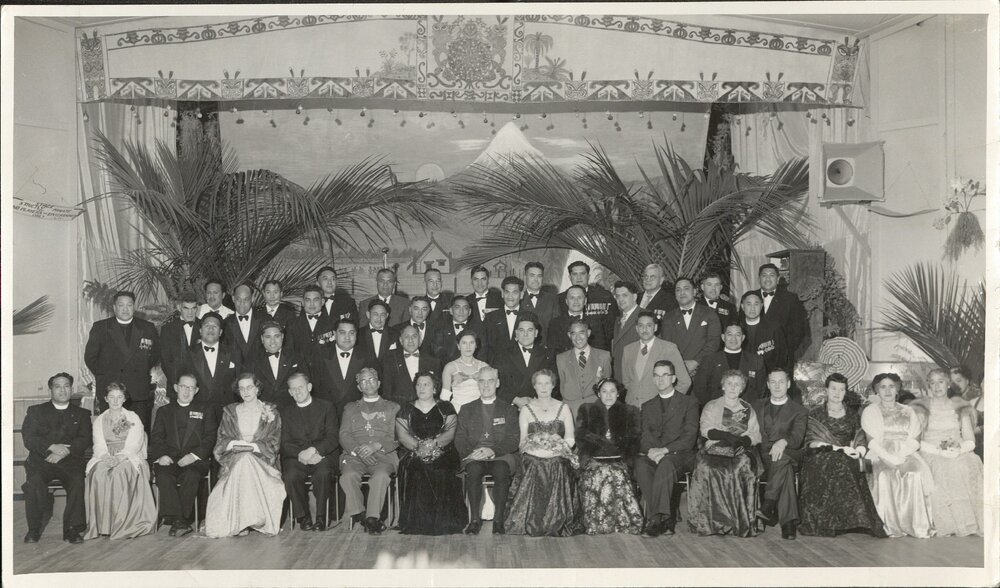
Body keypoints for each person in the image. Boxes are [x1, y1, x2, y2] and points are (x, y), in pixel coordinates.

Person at [798, 373, 886, 538]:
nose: (837, 393)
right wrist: (837, 449)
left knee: (843, 462)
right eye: (833, 389)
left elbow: (860, 438)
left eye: (841, 389)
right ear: (826, 390)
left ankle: (850, 521)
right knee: (834, 461)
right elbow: (811, 442)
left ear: (846, 392)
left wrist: (858, 451)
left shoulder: (853, 414)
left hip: (848, 455)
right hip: (819, 455)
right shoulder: (815, 414)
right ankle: (828, 522)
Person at [205, 373, 285, 538]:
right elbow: (222, 439)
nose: (246, 392)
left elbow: (274, 441)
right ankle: (244, 521)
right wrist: (234, 444)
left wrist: (254, 447)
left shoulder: (271, 411)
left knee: (247, 460)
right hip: (234, 459)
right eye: (241, 388)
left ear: (257, 388)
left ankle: (249, 520)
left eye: (249, 387)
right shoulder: (230, 412)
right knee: (244, 460)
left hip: (263, 461)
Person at [504, 369, 581, 536]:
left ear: (553, 385)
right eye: (539, 383)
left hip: (558, 455)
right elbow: (522, 441)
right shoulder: (526, 409)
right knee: (534, 463)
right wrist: (538, 449)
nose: (543, 387)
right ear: (534, 386)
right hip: (533, 455)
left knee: (557, 463)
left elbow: (570, 439)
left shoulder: (563, 407)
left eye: (547, 383)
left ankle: (557, 521)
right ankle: (532, 521)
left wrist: (556, 448)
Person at [687, 370, 762, 537]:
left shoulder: (748, 408)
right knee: (706, 467)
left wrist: (742, 441)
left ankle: (736, 520)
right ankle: (709, 521)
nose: (733, 387)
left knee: (739, 467)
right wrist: (727, 436)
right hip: (714, 447)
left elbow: (755, 434)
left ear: (742, 388)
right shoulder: (712, 406)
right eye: (729, 383)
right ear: (723, 386)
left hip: (739, 450)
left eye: (737, 384)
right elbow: (705, 429)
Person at [860, 372, 934, 538]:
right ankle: (890, 526)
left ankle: (916, 525)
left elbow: (915, 439)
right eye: (883, 387)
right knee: (885, 476)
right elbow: (871, 442)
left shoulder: (908, 411)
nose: (887, 391)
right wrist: (890, 458)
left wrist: (900, 456)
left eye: (891, 386)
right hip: (880, 453)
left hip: (906, 452)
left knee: (915, 474)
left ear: (897, 389)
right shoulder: (870, 411)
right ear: (876, 390)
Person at [21, 373, 93, 544]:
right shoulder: (36, 411)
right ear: (50, 391)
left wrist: (64, 451)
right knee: (34, 482)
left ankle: (72, 529)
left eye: (66, 386)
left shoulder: (82, 414)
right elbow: (29, 438)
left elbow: (85, 439)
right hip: (42, 460)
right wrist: (52, 447)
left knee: (77, 482)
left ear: (71, 389)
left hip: (70, 461)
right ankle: (33, 529)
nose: (62, 390)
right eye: (57, 386)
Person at [911, 369, 983, 537]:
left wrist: (959, 450)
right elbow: (916, 441)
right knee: (945, 467)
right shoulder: (921, 409)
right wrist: (939, 451)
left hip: (958, 451)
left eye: (941, 381)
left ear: (948, 384)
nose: (937, 386)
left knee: (969, 463)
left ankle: (969, 522)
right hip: (931, 452)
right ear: (928, 386)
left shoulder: (960, 407)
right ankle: (951, 523)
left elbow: (970, 440)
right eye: (933, 382)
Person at [395, 371, 466, 535]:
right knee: (416, 467)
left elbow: (450, 433)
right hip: (414, 451)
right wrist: (419, 448)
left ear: (435, 388)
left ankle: (443, 522)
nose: (421, 388)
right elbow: (403, 436)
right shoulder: (406, 409)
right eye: (418, 384)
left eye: (426, 384)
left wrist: (433, 445)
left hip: (443, 450)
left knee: (441, 467)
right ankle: (418, 522)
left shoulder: (446, 407)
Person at [84, 383, 157, 540]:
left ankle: (121, 524)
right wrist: (105, 457)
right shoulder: (99, 420)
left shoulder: (133, 418)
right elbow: (98, 444)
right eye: (111, 397)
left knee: (119, 473)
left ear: (124, 399)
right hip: (106, 455)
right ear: (105, 399)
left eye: (119, 397)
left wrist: (119, 457)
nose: (115, 401)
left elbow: (135, 444)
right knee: (98, 473)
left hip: (128, 456)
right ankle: (103, 525)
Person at [635, 361, 699, 537]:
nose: (660, 379)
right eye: (656, 375)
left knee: (666, 464)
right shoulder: (648, 406)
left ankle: (656, 519)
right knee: (640, 465)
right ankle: (664, 519)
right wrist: (651, 451)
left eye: (665, 375)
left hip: (681, 455)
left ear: (674, 378)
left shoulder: (689, 402)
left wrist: (664, 451)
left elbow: (689, 437)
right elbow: (643, 436)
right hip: (655, 454)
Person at [149, 373, 217, 537]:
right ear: (175, 388)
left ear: (196, 390)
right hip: (169, 458)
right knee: (163, 476)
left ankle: (177, 520)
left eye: (191, 388)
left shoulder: (205, 410)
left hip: (194, 460)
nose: (186, 391)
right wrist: (162, 455)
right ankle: (180, 520)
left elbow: (210, 437)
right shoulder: (164, 411)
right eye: (183, 387)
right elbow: (156, 437)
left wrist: (194, 456)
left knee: (191, 476)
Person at [455, 367, 520, 535]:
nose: (486, 385)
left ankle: (498, 520)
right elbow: (460, 438)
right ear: (477, 384)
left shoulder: (509, 409)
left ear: (497, 383)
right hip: (475, 455)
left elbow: (513, 440)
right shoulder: (466, 409)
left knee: (501, 469)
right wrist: (471, 453)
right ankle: (475, 520)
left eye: (490, 381)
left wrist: (492, 450)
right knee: (473, 470)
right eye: (482, 381)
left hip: (501, 455)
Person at [575, 378, 643, 535]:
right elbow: (581, 437)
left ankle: (622, 522)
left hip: (620, 458)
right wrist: (603, 442)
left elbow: (633, 439)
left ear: (618, 393)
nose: (608, 395)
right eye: (604, 391)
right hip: (593, 457)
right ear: (598, 393)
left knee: (616, 473)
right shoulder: (586, 409)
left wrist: (615, 444)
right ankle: (596, 522)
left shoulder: (630, 411)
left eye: (612, 391)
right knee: (598, 472)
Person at [84, 290, 160, 428]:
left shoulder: (147, 328)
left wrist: (140, 371)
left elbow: (154, 355)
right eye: (121, 305)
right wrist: (107, 375)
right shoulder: (101, 327)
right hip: (111, 391)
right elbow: (90, 357)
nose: (125, 309)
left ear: (134, 307)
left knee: (137, 431)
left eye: (129, 305)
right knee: (112, 433)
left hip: (138, 391)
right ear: (114, 307)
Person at [339, 368, 400, 535]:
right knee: (347, 476)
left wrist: (375, 446)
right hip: (355, 455)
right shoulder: (350, 408)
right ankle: (361, 514)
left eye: (372, 379)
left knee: (381, 476)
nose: (368, 384)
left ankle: (372, 518)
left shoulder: (392, 407)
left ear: (378, 383)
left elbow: (396, 436)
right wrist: (358, 451)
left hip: (383, 455)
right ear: (359, 387)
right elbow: (344, 434)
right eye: (363, 381)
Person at [279, 372, 340, 532]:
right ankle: (303, 516)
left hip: (322, 454)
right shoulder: (285, 412)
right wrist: (301, 454)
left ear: (309, 387)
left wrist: (315, 450)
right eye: (293, 389)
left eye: (301, 387)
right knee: (290, 475)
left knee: (323, 473)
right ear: (290, 392)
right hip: (296, 457)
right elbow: (284, 443)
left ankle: (321, 517)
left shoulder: (327, 407)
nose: (298, 391)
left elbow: (333, 437)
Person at [752, 367, 808, 539]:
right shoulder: (756, 405)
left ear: (788, 384)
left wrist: (783, 442)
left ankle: (768, 504)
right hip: (762, 456)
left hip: (789, 452)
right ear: (768, 385)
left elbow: (797, 438)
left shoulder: (799, 410)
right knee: (786, 470)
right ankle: (788, 523)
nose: (777, 386)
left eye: (781, 382)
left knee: (782, 458)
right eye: (773, 382)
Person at [620, 311, 691, 407]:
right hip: (632, 406)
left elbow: (685, 382)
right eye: (641, 326)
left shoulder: (669, 348)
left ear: (655, 327)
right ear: (636, 328)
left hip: (658, 408)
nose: (644, 329)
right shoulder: (628, 350)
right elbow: (626, 381)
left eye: (649, 325)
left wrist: (669, 402)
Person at [181, 312, 241, 420]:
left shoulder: (233, 353)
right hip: (197, 413)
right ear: (200, 330)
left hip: (226, 414)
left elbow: (239, 383)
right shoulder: (187, 354)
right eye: (207, 326)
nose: (210, 329)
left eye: (215, 326)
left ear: (220, 332)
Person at [314, 318, 379, 416]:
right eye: (342, 333)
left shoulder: (367, 355)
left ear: (356, 335)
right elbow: (315, 389)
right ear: (334, 334)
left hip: (360, 415)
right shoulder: (321, 355)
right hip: (327, 416)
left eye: (351, 333)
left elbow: (376, 388)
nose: (347, 337)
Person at [659, 277, 721, 378]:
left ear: (694, 291)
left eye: (686, 288)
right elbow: (667, 346)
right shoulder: (668, 318)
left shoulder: (709, 313)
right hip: (678, 371)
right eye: (678, 290)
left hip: (704, 370)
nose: (682, 293)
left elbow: (713, 342)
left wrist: (695, 362)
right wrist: (681, 366)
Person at [692, 323, 766, 407]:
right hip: (717, 409)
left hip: (747, 409)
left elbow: (762, 390)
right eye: (729, 334)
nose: (733, 339)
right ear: (723, 337)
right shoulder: (709, 360)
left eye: (737, 335)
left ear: (743, 338)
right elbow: (699, 389)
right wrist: (713, 407)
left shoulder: (756, 361)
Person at [492, 314, 557, 408]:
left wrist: (539, 401)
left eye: (530, 330)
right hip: (511, 408)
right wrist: (515, 400)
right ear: (516, 333)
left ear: (536, 333)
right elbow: (496, 383)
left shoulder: (548, 355)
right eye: (521, 330)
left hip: (541, 406)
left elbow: (554, 383)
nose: (525, 334)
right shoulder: (502, 355)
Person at [749, 263, 808, 362]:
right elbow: (742, 326)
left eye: (771, 275)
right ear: (759, 279)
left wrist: (785, 351)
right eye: (764, 275)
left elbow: (799, 330)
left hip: (780, 359)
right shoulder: (749, 297)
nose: (768, 279)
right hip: (752, 358)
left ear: (777, 279)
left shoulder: (791, 299)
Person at [556, 318, 613, 417]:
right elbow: (562, 384)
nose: (578, 338)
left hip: (596, 410)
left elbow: (608, 386)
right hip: (570, 411)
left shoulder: (604, 356)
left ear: (588, 333)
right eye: (574, 334)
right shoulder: (561, 358)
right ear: (569, 335)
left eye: (581, 333)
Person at [244, 321, 308, 406]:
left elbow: (305, 385)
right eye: (268, 337)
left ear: (282, 337)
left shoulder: (296, 357)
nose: (273, 341)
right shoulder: (252, 360)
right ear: (262, 339)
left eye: (277, 336)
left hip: (292, 408)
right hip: (262, 409)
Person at [381, 325, 444, 406]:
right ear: (401, 340)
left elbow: (437, 391)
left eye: (414, 336)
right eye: (407, 337)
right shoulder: (390, 361)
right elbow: (387, 392)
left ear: (420, 340)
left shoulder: (434, 362)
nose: (411, 340)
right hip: (398, 409)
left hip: (425, 409)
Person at [557, 261, 616, 337]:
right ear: (570, 277)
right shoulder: (559, 299)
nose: (579, 277)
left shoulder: (604, 296)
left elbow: (613, 326)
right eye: (575, 274)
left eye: (582, 274)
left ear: (588, 276)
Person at [546, 285, 610, 355]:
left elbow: (600, 349)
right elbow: (553, 352)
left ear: (585, 301)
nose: (576, 301)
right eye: (572, 298)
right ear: (566, 301)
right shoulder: (555, 324)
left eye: (579, 297)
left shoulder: (595, 322)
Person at [738, 291, 790, 375]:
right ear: (742, 306)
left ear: (762, 306)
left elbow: (782, 356)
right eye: (748, 304)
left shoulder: (774, 328)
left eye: (756, 304)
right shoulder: (736, 329)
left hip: (769, 376)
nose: (752, 308)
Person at [159, 292, 201, 397]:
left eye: (193, 308)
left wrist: (196, 385)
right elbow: (165, 361)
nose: (190, 312)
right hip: (176, 387)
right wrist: (178, 385)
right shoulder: (167, 329)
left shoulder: (204, 326)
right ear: (179, 307)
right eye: (186, 308)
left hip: (200, 387)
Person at [440, 331, 490, 413]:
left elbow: (489, 393)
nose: (468, 347)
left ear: (476, 345)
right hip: (457, 411)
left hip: (479, 411)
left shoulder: (484, 366)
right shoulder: (450, 367)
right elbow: (444, 397)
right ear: (458, 346)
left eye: (471, 343)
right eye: (464, 343)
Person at [481, 276, 526, 362]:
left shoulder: (529, 317)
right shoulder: (490, 317)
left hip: (522, 366)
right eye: (507, 292)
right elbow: (484, 348)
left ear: (522, 295)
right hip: (496, 366)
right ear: (502, 294)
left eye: (515, 292)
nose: (510, 296)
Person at [428, 295, 482, 364]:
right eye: (457, 308)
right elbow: (437, 353)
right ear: (451, 311)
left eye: (465, 308)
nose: (461, 311)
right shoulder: (440, 328)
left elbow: (482, 354)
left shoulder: (478, 329)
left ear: (469, 312)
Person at [286, 285, 335, 359]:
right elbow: (288, 351)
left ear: (322, 302)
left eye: (316, 300)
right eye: (308, 300)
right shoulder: (292, 324)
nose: (312, 304)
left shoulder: (333, 323)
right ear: (303, 302)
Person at [223, 283, 264, 361]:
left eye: (246, 299)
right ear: (233, 299)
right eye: (238, 299)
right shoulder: (225, 323)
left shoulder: (264, 319)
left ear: (252, 299)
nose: (242, 303)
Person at [610, 280, 642, 378]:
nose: (620, 299)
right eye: (617, 296)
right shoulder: (618, 319)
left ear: (634, 297)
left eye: (624, 295)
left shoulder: (644, 316)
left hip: (636, 374)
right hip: (619, 373)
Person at [522, 261, 560, 339]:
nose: (536, 279)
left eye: (539, 276)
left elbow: (556, 328)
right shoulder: (518, 299)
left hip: (546, 345)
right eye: (532, 275)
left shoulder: (552, 300)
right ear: (525, 277)